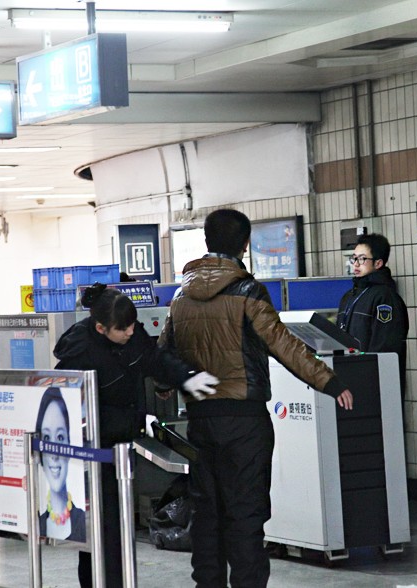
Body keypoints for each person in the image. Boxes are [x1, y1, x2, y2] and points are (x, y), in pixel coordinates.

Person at [158, 208, 354, 588]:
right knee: (245, 515)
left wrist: (167, 385)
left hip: (200, 420)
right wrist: (329, 382)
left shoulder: (182, 296)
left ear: (207, 243)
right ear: (245, 245)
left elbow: (166, 351)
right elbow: (283, 344)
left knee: (208, 512)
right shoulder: (247, 291)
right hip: (244, 422)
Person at [53, 283, 218, 587]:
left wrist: (185, 378)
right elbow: (62, 402)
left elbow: (155, 360)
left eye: (132, 325)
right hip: (92, 452)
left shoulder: (132, 336)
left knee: (117, 529)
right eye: (122, 329)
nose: (130, 332)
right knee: (100, 531)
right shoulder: (79, 350)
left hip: (121, 448)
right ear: (101, 328)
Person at [337, 233, 409, 395]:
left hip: (374, 383)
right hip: (348, 379)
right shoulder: (349, 296)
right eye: (354, 258)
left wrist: (366, 375)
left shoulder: (385, 297)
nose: (356, 264)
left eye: (362, 259)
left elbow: (385, 346)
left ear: (378, 263)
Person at [35, 387, 86, 542]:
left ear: (69, 444)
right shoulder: (36, 523)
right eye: (47, 438)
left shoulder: (85, 522)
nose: (54, 455)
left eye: (60, 436)